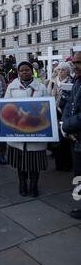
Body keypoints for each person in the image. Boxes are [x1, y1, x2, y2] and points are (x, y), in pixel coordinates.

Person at [5, 61, 48, 197]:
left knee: (35, 161)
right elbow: (6, 106)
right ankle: (22, 183)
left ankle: (34, 185)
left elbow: (47, 107)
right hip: (18, 132)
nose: (24, 72)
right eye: (22, 70)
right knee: (20, 160)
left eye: (27, 70)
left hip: (36, 131)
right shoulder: (12, 87)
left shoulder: (41, 87)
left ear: (31, 71)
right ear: (18, 72)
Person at [62, 52, 81, 219]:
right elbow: (69, 105)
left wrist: (66, 125)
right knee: (78, 173)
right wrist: (65, 124)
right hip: (75, 138)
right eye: (74, 62)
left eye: (79, 62)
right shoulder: (77, 82)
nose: (75, 65)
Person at [47, 62, 73, 171]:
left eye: (63, 69)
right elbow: (48, 95)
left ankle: (67, 163)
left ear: (68, 71)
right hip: (54, 113)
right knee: (56, 139)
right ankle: (59, 163)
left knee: (66, 139)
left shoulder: (71, 82)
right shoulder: (53, 82)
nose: (60, 72)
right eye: (59, 69)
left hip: (65, 114)